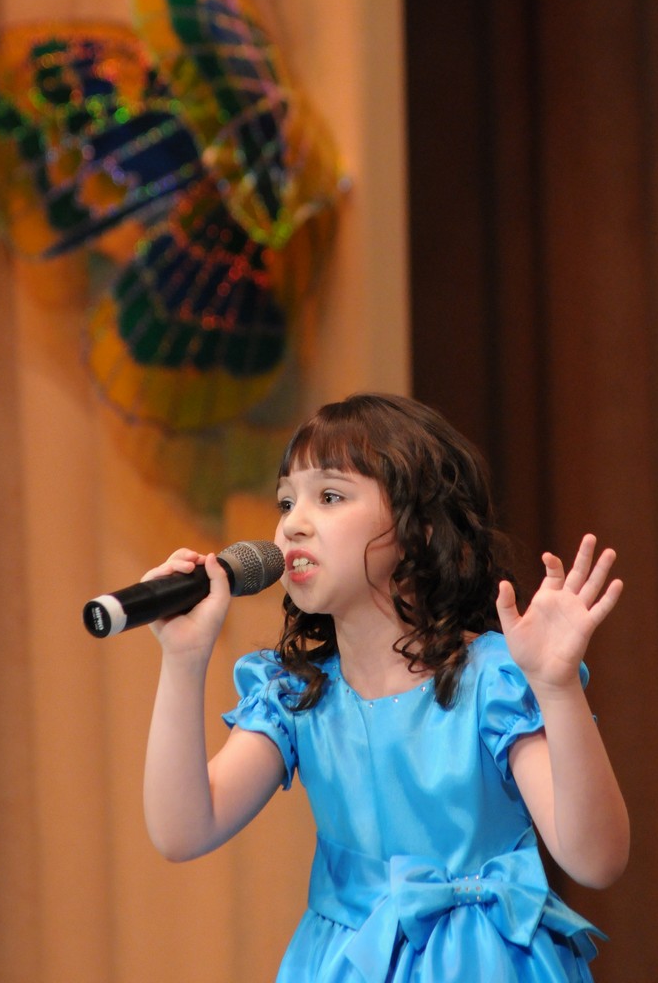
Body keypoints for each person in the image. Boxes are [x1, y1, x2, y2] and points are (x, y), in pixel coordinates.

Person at [143, 393, 629, 982]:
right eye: (286, 501)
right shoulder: (297, 693)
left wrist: (557, 689)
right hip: (347, 964)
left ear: (418, 527)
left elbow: (597, 860)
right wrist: (183, 659)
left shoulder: (491, 679)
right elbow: (182, 831)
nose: (293, 523)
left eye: (329, 497)